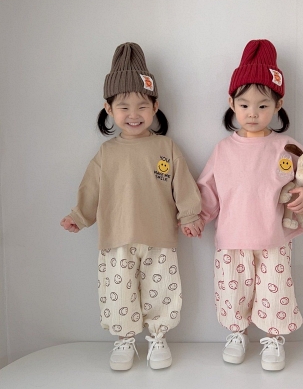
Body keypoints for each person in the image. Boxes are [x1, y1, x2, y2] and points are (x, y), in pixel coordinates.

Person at [60, 42, 204, 371]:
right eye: (123, 106)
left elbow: (183, 184)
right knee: (118, 292)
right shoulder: (106, 153)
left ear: (155, 107)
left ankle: (158, 337)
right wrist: (79, 216)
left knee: (161, 291)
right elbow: (91, 188)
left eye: (142, 106)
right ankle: (124, 339)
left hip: (160, 237)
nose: (134, 114)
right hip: (116, 238)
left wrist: (190, 215)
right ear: (108, 109)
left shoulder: (166, 147)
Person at [197, 39, 303, 371]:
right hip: (231, 239)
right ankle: (236, 333)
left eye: (262, 105)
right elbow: (208, 189)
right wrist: (198, 217)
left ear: (278, 104)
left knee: (275, 291)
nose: (252, 113)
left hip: (273, 237)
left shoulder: (286, 146)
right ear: (231, 103)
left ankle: (273, 337)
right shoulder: (223, 149)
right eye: (244, 105)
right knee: (233, 292)